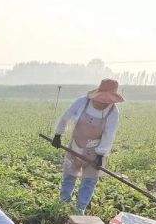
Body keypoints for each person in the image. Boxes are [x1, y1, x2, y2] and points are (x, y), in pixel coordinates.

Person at [52, 79, 124, 213]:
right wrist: (58, 134)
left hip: (95, 152)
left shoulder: (113, 112)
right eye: (101, 99)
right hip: (75, 146)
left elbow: (109, 135)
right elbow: (65, 118)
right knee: (69, 176)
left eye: (106, 101)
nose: (103, 103)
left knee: (89, 181)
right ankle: (63, 205)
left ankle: (80, 209)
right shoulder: (82, 102)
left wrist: (101, 155)